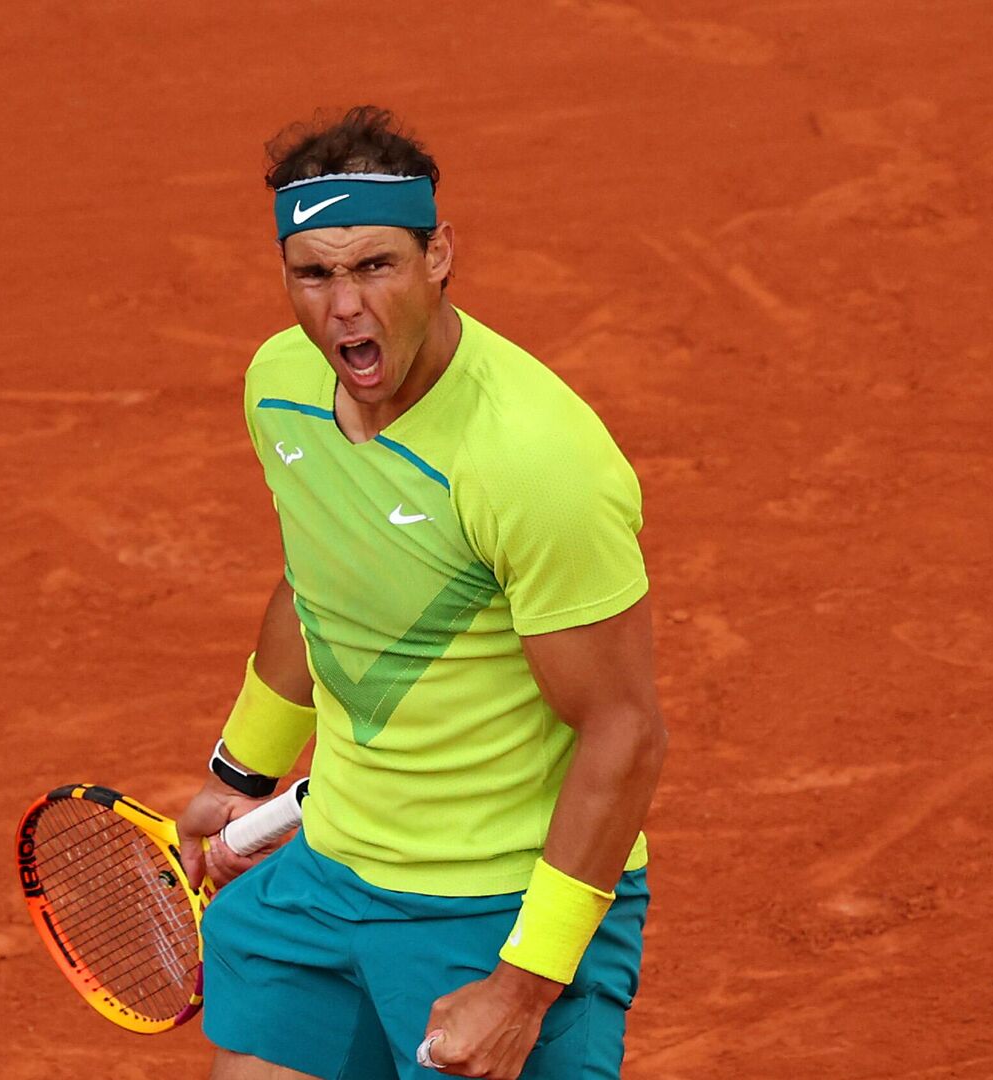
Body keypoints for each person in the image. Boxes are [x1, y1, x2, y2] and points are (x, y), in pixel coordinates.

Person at [174, 105, 667, 1080]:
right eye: (314, 274)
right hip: (329, 877)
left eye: (375, 266)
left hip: (494, 907)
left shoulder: (534, 462)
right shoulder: (280, 387)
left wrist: (523, 987)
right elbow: (319, 582)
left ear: (438, 255)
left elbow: (625, 730)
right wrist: (241, 775)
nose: (344, 307)